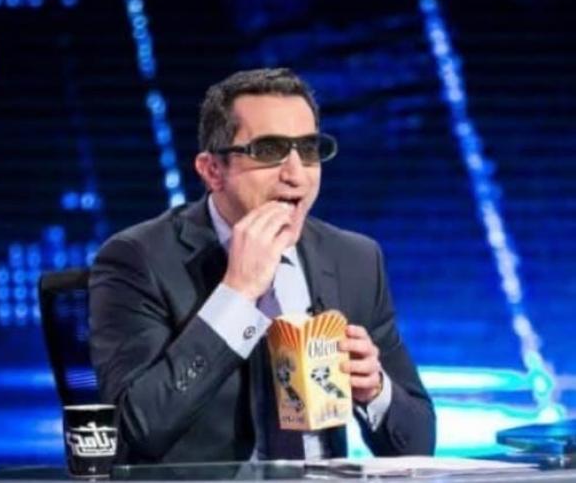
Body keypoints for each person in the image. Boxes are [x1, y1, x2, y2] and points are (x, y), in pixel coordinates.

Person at [89, 68, 435, 464]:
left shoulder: (354, 259)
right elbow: (134, 432)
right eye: (269, 151)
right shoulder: (138, 258)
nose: (296, 175)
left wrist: (375, 391)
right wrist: (237, 295)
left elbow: (417, 446)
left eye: (308, 150)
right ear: (212, 170)